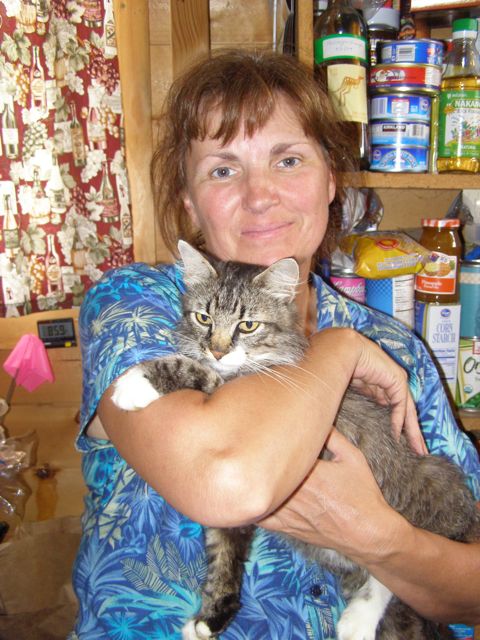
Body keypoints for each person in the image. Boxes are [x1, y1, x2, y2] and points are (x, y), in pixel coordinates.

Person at [70, 50, 480, 639]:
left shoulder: (399, 346)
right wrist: (337, 351)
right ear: (188, 202)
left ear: (330, 179)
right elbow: (224, 481)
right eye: (222, 170)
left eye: (288, 160)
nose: (260, 194)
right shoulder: (136, 305)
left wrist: (379, 538)